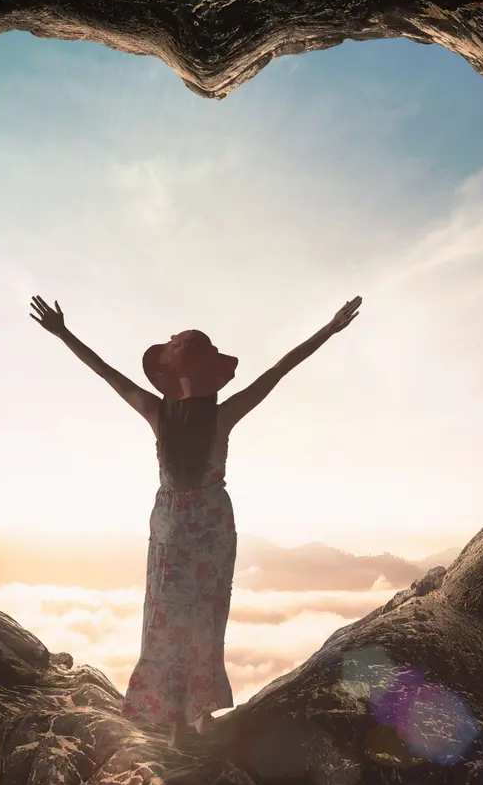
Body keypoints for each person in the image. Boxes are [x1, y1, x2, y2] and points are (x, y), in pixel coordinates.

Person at [29, 294, 362, 746]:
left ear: (172, 376)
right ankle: (201, 716)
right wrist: (329, 328)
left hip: (169, 528)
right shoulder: (221, 417)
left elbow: (107, 374)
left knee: (164, 621)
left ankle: (174, 724)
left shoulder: (158, 415)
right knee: (207, 617)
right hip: (211, 528)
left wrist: (64, 333)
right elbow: (278, 372)